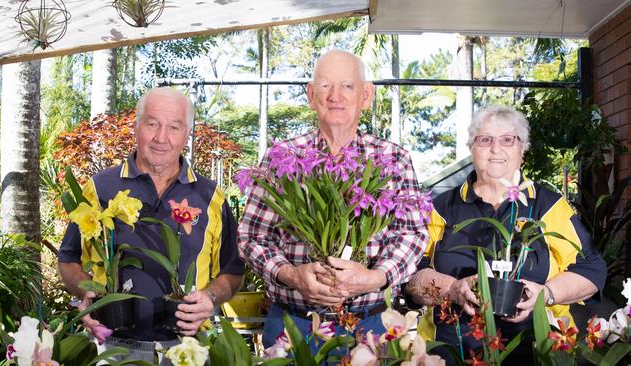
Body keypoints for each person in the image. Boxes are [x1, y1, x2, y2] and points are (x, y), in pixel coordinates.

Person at [237, 49, 429, 350]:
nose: (335, 96)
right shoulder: (283, 157)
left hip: (370, 323)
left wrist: (376, 277)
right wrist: (291, 275)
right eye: (325, 86)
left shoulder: (393, 159)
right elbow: (252, 236)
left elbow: (413, 234)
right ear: (311, 95)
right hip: (294, 323)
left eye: (347, 86)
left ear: (366, 95)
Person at [406, 105, 605, 365]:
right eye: (485, 139)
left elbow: (591, 270)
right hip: (450, 349)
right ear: (471, 148)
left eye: (508, 139)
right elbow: (412, 278)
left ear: (522, 150)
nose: (496, 149)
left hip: (538, 347)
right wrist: (454, 289)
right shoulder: (441, 208)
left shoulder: (547, 205)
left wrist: (546, 293)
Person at [58, 87, 244, 362]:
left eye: (174, 127)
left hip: (188, 347)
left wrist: (212, 298)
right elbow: (68, 258)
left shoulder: (210, 196)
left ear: (186, 134)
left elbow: (233, 271)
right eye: (152, 124)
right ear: (136, 127)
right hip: (113, 346)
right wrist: (87, 289)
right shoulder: (99, 188)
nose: (161, 138)